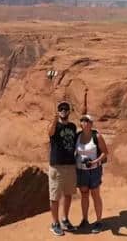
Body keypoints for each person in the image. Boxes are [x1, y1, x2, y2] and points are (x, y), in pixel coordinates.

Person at [47, 100, 78, 236]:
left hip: (70, 165)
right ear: (58, 111)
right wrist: (54, 120)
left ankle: (65, 219)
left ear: (69, 111)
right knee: (55, 196)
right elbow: (50, 133)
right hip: (57, 166)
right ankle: (55, 223)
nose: (64, 111)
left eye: (66, 109)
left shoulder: (72, 126)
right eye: (61, 109)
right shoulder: (55, 126)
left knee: (68, 194)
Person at [75, 114, 108, 233]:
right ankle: (84, 219)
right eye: (82, 120)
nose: (84, 122)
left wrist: (93, 162)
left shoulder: (97, 136)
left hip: (94, 170)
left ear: (91, 123)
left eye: (87, 121)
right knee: (84, 194)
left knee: (95, 194)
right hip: (81, 170)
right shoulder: (78, 136)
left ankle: (99, 222)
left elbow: (105, 152)